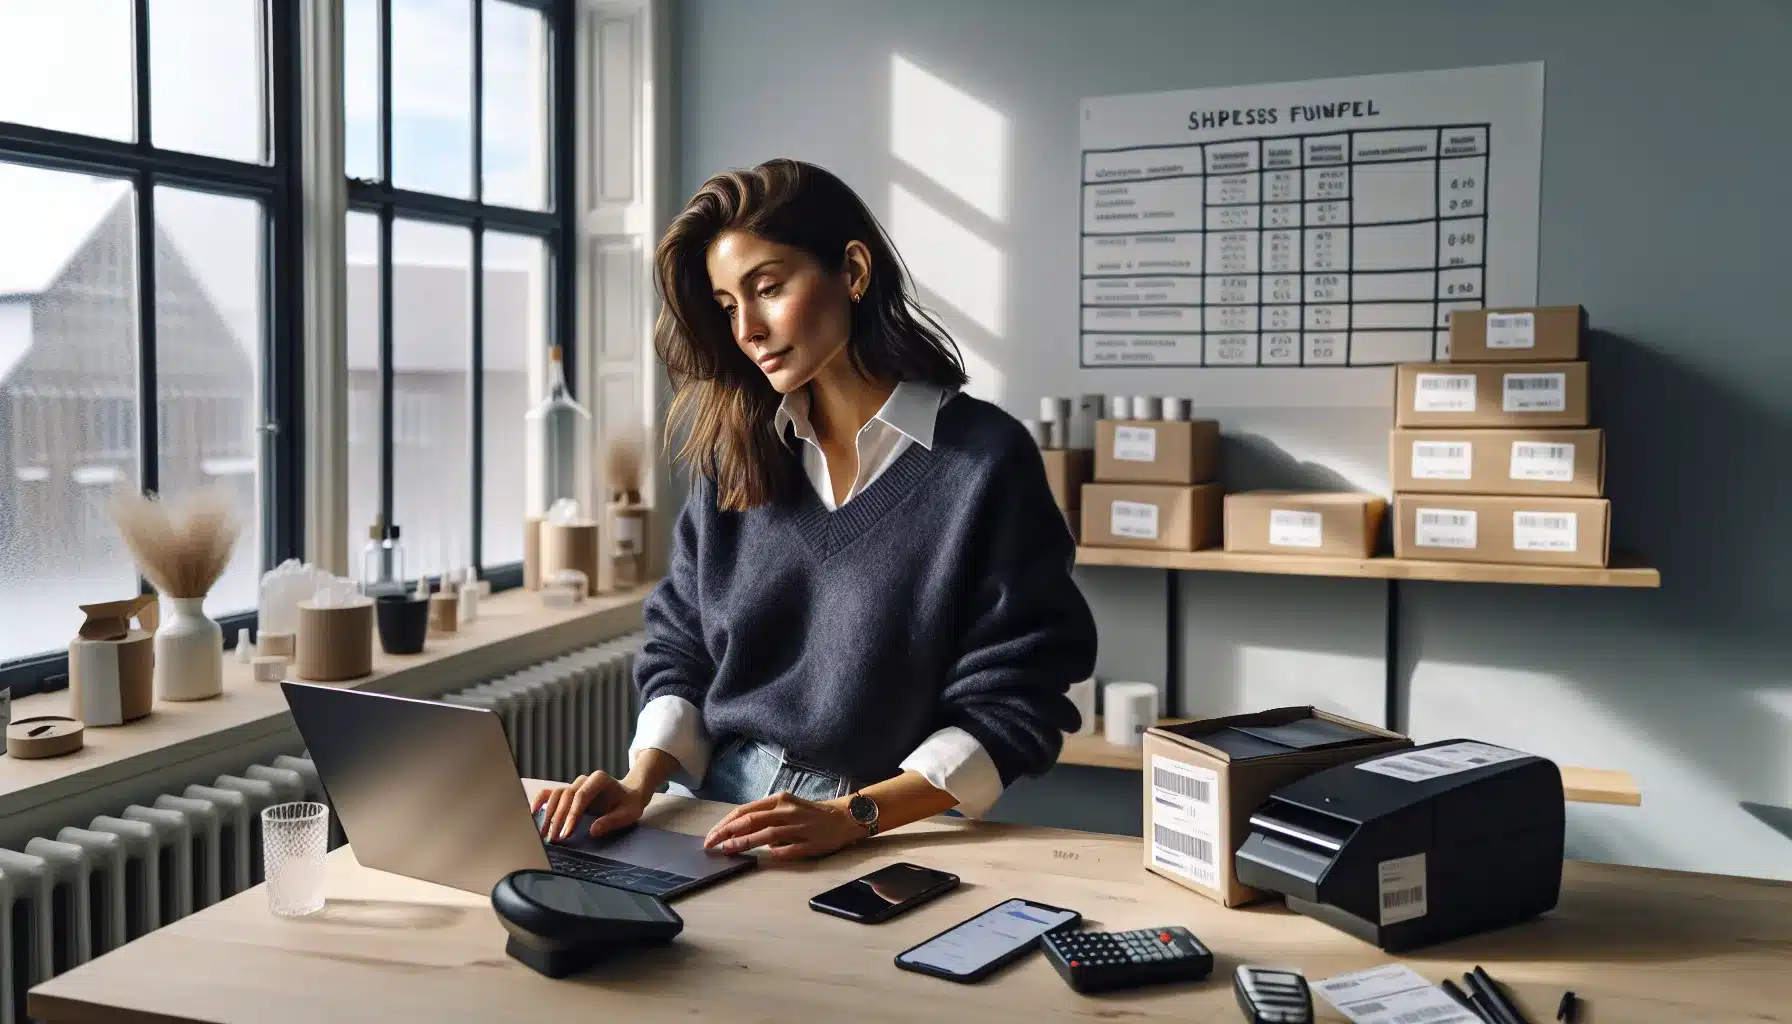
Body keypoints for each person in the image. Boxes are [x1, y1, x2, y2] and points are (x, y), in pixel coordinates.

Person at [534, 157, 1096, 860]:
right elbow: (680, 644)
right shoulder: (734, 455)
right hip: (709, 806)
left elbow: (1021, 694)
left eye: (767, 289)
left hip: (887, 826)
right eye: (728, 306)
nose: (748, 329)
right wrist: (640, 779)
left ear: (853, 272)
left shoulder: (984, 462)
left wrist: (851, 816)